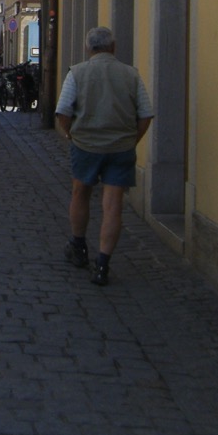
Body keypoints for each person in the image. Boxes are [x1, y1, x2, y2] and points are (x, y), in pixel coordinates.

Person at [54, 26, 154, 286]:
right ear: (113, 47)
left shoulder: (77, 73)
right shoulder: (131, 74)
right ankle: (102, 264)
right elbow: (145, 114)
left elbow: (63, 111)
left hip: (86, 145)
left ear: (88, 48)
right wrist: (133, 139)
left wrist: (71, 134)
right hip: (121, 148)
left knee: (80, 193)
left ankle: (78, 247)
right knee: (113, 205)